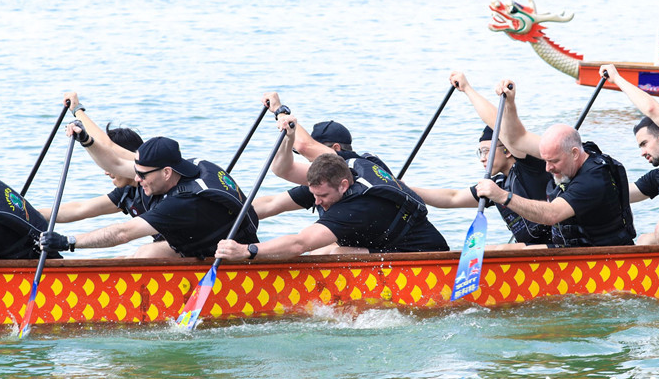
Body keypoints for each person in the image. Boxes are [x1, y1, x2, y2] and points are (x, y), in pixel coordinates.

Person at [40, 93, 259, 259]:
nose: (137, 179)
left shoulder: (182, 201)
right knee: (129, 257)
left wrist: (68, 242)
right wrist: (86, 140)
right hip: (192, 242)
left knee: (145, 253)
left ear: (166, 172)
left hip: (227, 259)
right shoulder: (175, 170)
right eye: (137, 173)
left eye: (142, 175)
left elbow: (123, 233)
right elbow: (114, 161)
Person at [215, 114, 448, 261]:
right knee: (323, 249)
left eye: (323, 196)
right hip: (382, 244)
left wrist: (247, 251)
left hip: (423, 256)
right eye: (314, 195)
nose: (317, 201)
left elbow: (299, 243)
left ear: (344, 186)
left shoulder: (357, 206)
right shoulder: (331, 177)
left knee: (334, 251)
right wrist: (224, 216)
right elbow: (272, 203)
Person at [474, 81, 636, 248]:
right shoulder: (569, 149)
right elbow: (516, 138)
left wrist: (503, 196)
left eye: (554, 161)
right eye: (545, 160)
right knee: (492, 250)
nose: (548, 168)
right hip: (570, 250)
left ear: (574, 153)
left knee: (504, 251)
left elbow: (552, 215)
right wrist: (509, 102)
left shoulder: (593, 179)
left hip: (601, 255)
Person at [412, 73, 552, 247]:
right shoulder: (498, 184)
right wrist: (407, 188)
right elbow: (452, 198)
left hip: (556, 247)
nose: (483, 159)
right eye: (480, 153)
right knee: (483, 249)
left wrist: (467, 89)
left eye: (487, 151)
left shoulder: (530, 166)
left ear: (508, 150)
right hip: (530, 248)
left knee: (496, 250)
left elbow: (501, 126)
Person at [600, 63, 659, 244]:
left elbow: (653, 110)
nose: (642, 153)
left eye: (644, 144)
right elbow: (619, 194)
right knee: (645, 240)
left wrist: (617, 78)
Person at [38, 121, 148, 223]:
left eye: (110, 165)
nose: (106, 172)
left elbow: (123, 233)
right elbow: (79, 209)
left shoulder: (155, 186)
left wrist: (77, 111)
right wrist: (31, 213)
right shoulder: (127, 192)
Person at [261, 92, 393, 172]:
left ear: (336, 148)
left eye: (313, 155)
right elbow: (282, 172)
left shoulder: (354, 164)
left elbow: (304, 146)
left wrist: (279, 110)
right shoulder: (327, 182)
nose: (310, 161)